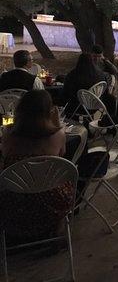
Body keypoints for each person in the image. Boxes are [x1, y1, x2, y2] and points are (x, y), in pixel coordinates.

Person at [0, 90, 72, 242]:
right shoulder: (58, 135)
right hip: (52, 203)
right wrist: (56, 122)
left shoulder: (8, 134)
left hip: (12, 203)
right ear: (49, 111)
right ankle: (57, 229)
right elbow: (62, 156)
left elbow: (5, 157)